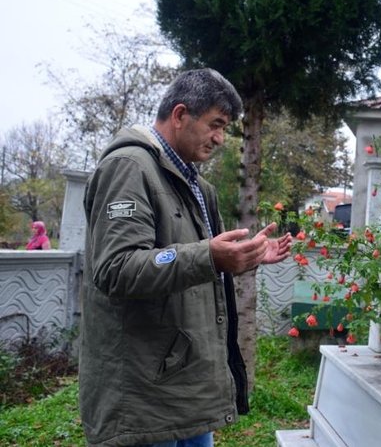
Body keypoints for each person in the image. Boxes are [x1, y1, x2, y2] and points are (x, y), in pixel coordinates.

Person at [80, 68, 292, 447]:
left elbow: (198, 265)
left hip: (184, 385)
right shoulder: (128, 167)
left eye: (225, 128)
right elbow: (116, 269)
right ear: (180, 115)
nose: (220, 139)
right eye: (215, 124)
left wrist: (246, 257)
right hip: (144, 396)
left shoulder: (196, 186)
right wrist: (210, 256)